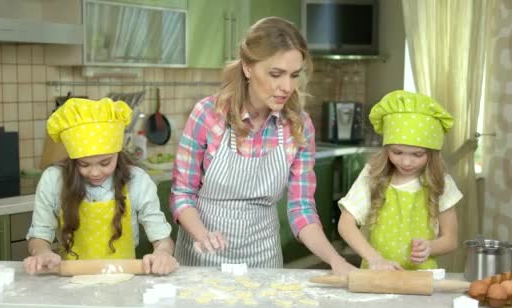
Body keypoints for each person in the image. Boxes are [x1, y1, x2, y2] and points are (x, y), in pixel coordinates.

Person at [170, 17, 355, 274]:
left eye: (294, 75)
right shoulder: (208, 115)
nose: (287, 87)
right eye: (276, 74)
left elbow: (301, 208)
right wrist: (202, 235)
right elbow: (182, 194)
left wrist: (336, 260)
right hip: (202, 259)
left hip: (263, 262)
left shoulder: (298, 126)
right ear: (247, 67)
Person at [23, 98, 179, 275]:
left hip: (124, 282)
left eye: (105, 163)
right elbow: (40, 234)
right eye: (84, 164)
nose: (95, 173)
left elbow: (162, 238)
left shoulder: (137, 181)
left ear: (118, 155)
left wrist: (162, 253)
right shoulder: (53, 180)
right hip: (70, 284)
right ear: (74, 160)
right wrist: (42, 253)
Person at [337, 90, 462, 270]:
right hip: (376, 275)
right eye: (397, 152)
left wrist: (430, 247)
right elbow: (345, 224)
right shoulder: (372, 175)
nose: (406, 162)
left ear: (432, 153)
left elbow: (451, 240)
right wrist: (374, 259)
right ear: (386, 148)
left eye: (417, 154)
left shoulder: (441, 182)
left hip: (421, 278)